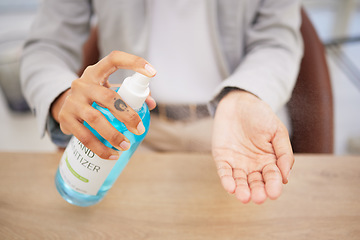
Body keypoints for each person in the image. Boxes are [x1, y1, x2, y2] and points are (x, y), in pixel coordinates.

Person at [21, 0, 303, 204]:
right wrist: (63, 97)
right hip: (124, 128)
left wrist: (246, 94)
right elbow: (46, 46)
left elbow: (277, 42)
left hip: (236, 130)